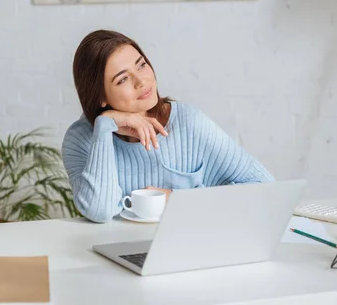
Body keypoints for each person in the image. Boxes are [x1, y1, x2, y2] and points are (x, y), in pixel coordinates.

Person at [62, 29, 274, 223]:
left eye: (141, 65)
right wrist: (105, 127)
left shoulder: (188, 123)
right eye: (123, 79)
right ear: (100, 96)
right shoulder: (81, 139)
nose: (142, 82)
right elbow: (100, 211)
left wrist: (175, 199)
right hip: (114, 252)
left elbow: (265, 187)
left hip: (189, 245)